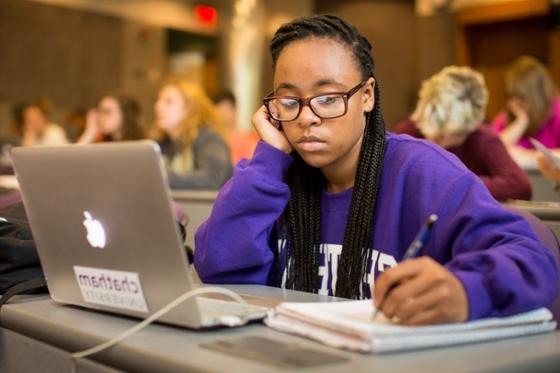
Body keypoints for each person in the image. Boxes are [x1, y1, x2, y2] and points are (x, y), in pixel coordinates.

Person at [194, 15, 558, 325]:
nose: (306, 118)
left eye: (327, 98)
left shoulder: (423, 172)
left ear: (366, 95)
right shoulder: (273, 178)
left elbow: (531, 259)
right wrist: (268, 159)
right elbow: (221, 272)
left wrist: (467, 291)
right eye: (290, 102)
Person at [394, 66, 531, 201]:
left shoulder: (483, 140)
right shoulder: (407, 132)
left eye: (443, 135)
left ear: (467, 128)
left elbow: (520, 186)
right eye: (427, 130)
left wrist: (455, 183)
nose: (432, 141)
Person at [153, 79, 232, 190]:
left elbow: (211, 179)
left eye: (168, 101)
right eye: (158, 100)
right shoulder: (159, 144)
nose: (158, 107)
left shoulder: (209, 139)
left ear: (190, 108)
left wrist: (158, 178)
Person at [492, 56, 560, 169]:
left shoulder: (556, 110)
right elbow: (492, 151)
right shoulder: (507, 117)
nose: (516, 103)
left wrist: (529, 157)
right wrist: (521, 122)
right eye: (512, 97)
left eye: (522, 98)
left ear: (538, 95)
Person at [213, 91, 260, 165]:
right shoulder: (215, 142)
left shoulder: (251, 140)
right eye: (219, 113)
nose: (222, 117)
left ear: (234, 111)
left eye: (225, 111)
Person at [77, 94, 144, 144]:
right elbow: (74, 160)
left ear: (125, 114)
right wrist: (90, 132)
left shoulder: (143, 144)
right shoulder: (101, 143)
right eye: (99, 111)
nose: (101, 117)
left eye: (107, 112)